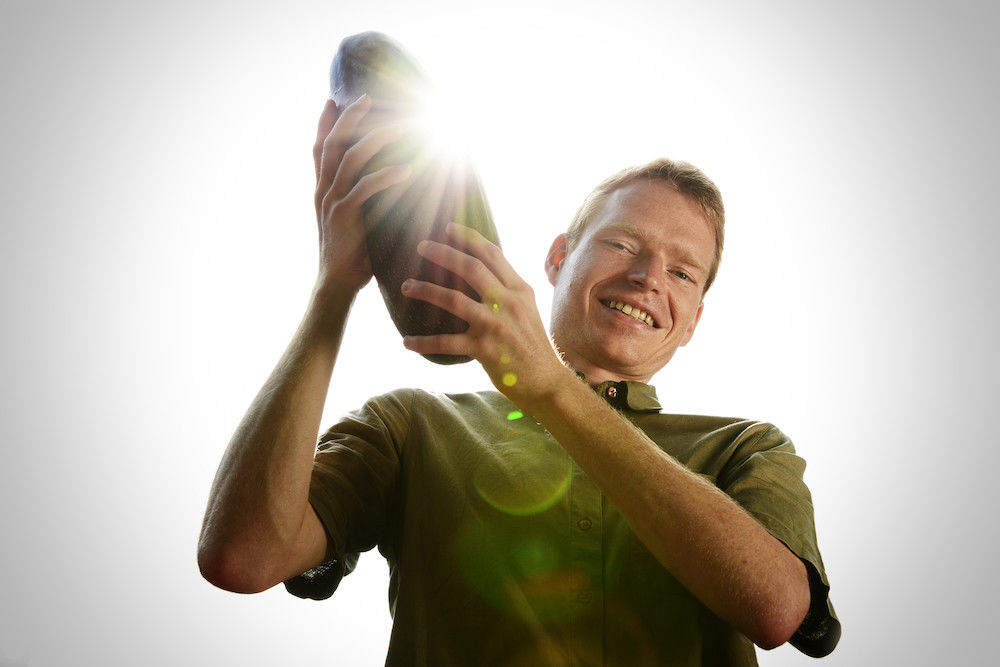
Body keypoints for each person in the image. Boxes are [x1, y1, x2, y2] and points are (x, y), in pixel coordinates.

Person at [198, 93, 840, 665]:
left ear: (693, 319)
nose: (649, 276)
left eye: (682, 272)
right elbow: (243, 556)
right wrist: (332, 288)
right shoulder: (411, 428)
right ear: (559, 258)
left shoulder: (747, 447)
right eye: (623, 243)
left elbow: (775, 608)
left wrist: (550, 389)